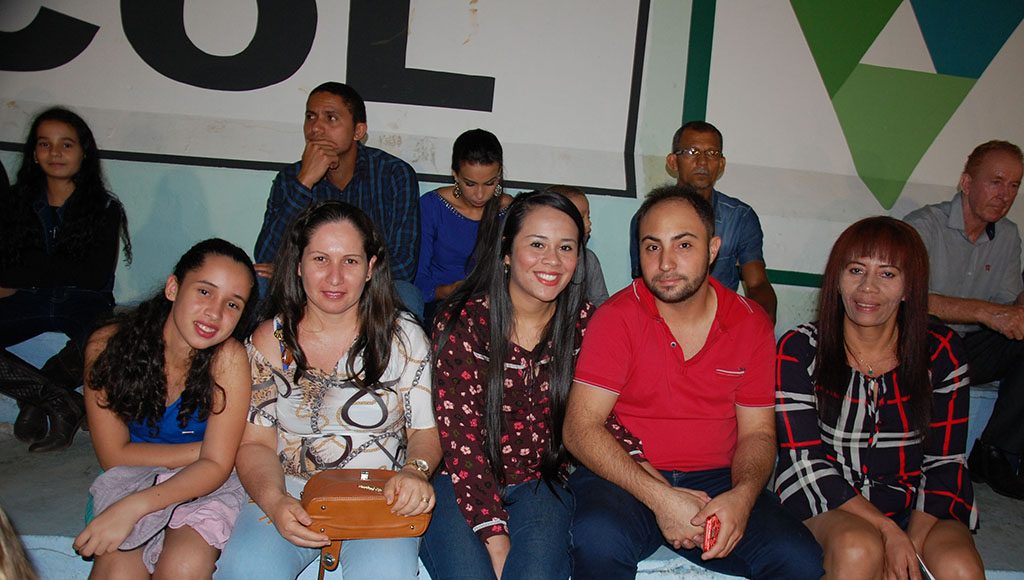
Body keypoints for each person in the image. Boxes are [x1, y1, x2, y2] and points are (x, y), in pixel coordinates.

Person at [564, 185, 822, 579]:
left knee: (799, 559)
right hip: (627, 475)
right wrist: (662, 499)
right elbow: (580, 429)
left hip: (718, 478)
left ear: (713, 249)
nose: (665, 263)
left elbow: (757, 434)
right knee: (596, 539)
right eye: (652, 247)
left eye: (683, 245)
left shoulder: (750, 323)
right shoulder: (616, 317)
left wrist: (742, 497)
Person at [217, 201, 440, 580]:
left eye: (350, 261)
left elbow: (424, 429)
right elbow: (255, 443)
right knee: (247, 570)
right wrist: (275, 501)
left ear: (370, 268)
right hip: (291, 488)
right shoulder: (270, 341)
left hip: (381, 491)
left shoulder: (404, 337)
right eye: (320, 259)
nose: (335, 277)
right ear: (299, 264)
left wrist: (415, 471)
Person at [775, 217, 983, 580]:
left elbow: (945, 461)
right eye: (856, 270)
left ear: (909, 288)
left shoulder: (941, 352)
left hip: (917, 504)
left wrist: (909, 543)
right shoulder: (800, 349)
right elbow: (805, 460)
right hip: (829, 499)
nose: (867, 287)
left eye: (887, 274)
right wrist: (887, 531)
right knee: (859, 549)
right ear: (837, 279)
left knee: (959, 567)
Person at [420, 191, 594, 580]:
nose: (553, 260)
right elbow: (462, 441)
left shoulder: (586, 324)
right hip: (458, 480)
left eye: (566, 247)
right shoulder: (462, 322)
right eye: (537, 245)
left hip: (541, 483)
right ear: (507, 251)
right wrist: (495, 535)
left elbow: (602, 417)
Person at [73, 238, 258, 578]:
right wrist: (209, 451)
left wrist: (138, 505)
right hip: (130, 478)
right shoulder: (107, 347)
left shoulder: (228, 359)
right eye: (204, 291)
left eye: (233, 304)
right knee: (117, 571)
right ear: (173, 288)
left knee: (184, 565)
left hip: (206, 484)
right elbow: (113, 456)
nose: (215, 313)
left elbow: (216, 468)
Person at [0, 107, 132, 452]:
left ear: (83, 152)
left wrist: (30, 268)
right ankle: (60, 401)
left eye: (66, 145)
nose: (55, 153)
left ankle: (40, 400)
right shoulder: (13, 203)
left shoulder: (104, 208)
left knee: (110, 340)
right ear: (34, 153)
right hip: (26, 300)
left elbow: (93, 276)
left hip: (82, 301)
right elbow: (6, 270)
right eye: (45, 144)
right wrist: (55, 268)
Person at [903, 140, 1024, 499]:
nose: (1005, 195)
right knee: (934, 331)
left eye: (1014, 185)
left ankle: (994, 450)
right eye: (996, 182)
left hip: (972, 346)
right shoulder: (924, 226)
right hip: (920, 344)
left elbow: (1008, 303)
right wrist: (985, 312)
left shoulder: (1008, 235)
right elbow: (907, 298)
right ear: (967, 183)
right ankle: (930, 463)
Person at [252, 82, 423, 318]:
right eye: (310, 117)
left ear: (358, 131)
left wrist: (350, 278)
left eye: (331, 118)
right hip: (309, 284)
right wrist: (305, 182)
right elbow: (266, 257)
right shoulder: (291, 178)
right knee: (259, 285)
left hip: (371, 286)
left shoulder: (393, 174)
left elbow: (404, 263)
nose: (316, 128)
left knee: (407, 294)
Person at [628, 121, 777, 322]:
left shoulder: (740, 217)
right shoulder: (647, 219)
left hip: (720, 324)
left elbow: (757, 283)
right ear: (673, 162)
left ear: (721, 164)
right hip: (662, 322)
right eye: (692, 152)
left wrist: (757, 327)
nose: (702, 162)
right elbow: (642, 287)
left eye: (712, 153)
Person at [415, 129, 513, 323]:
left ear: (499, 174)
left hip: (495, 305)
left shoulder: (511, 211)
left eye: (490, 183)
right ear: (455, 175)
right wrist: (450, 290)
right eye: (470, 184)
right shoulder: (433, 206)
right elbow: (418, 278)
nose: (480, 194)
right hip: (441, 303)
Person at [545, 185, 610, 306]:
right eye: (581, 217)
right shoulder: (544, 259)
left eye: (588, 217)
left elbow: (600, 300)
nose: (588, 223)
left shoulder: (588, 259)